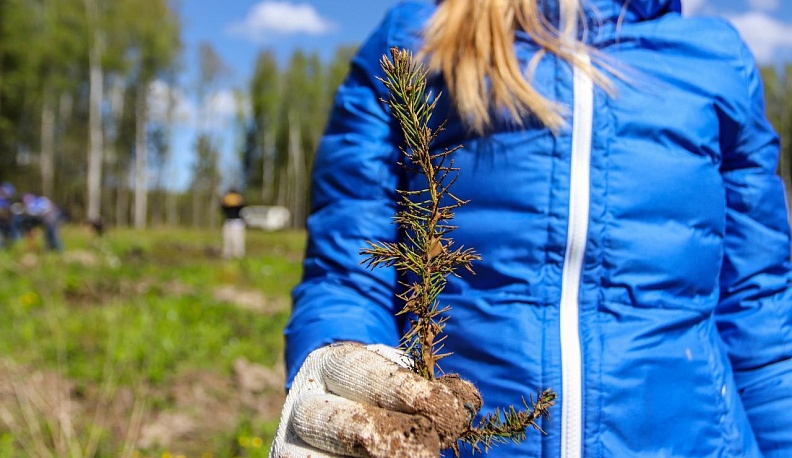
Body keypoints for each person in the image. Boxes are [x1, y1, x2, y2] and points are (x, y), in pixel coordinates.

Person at [271, 0, 792, 457]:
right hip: (454, 443)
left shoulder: (716, 60)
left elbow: (759, 308)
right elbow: (348, 276)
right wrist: (343, 373)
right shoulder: (414, 38)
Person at [220, 187, 246, 259]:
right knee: (227, 239)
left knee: (237, 239)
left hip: (237, 222)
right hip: (229, 221)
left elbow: (243, 208)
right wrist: (224, 203)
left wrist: (239, 202)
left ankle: (238, 255)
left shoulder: (239, 202)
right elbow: (223, 209)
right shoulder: (226, 202)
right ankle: (227, 254)